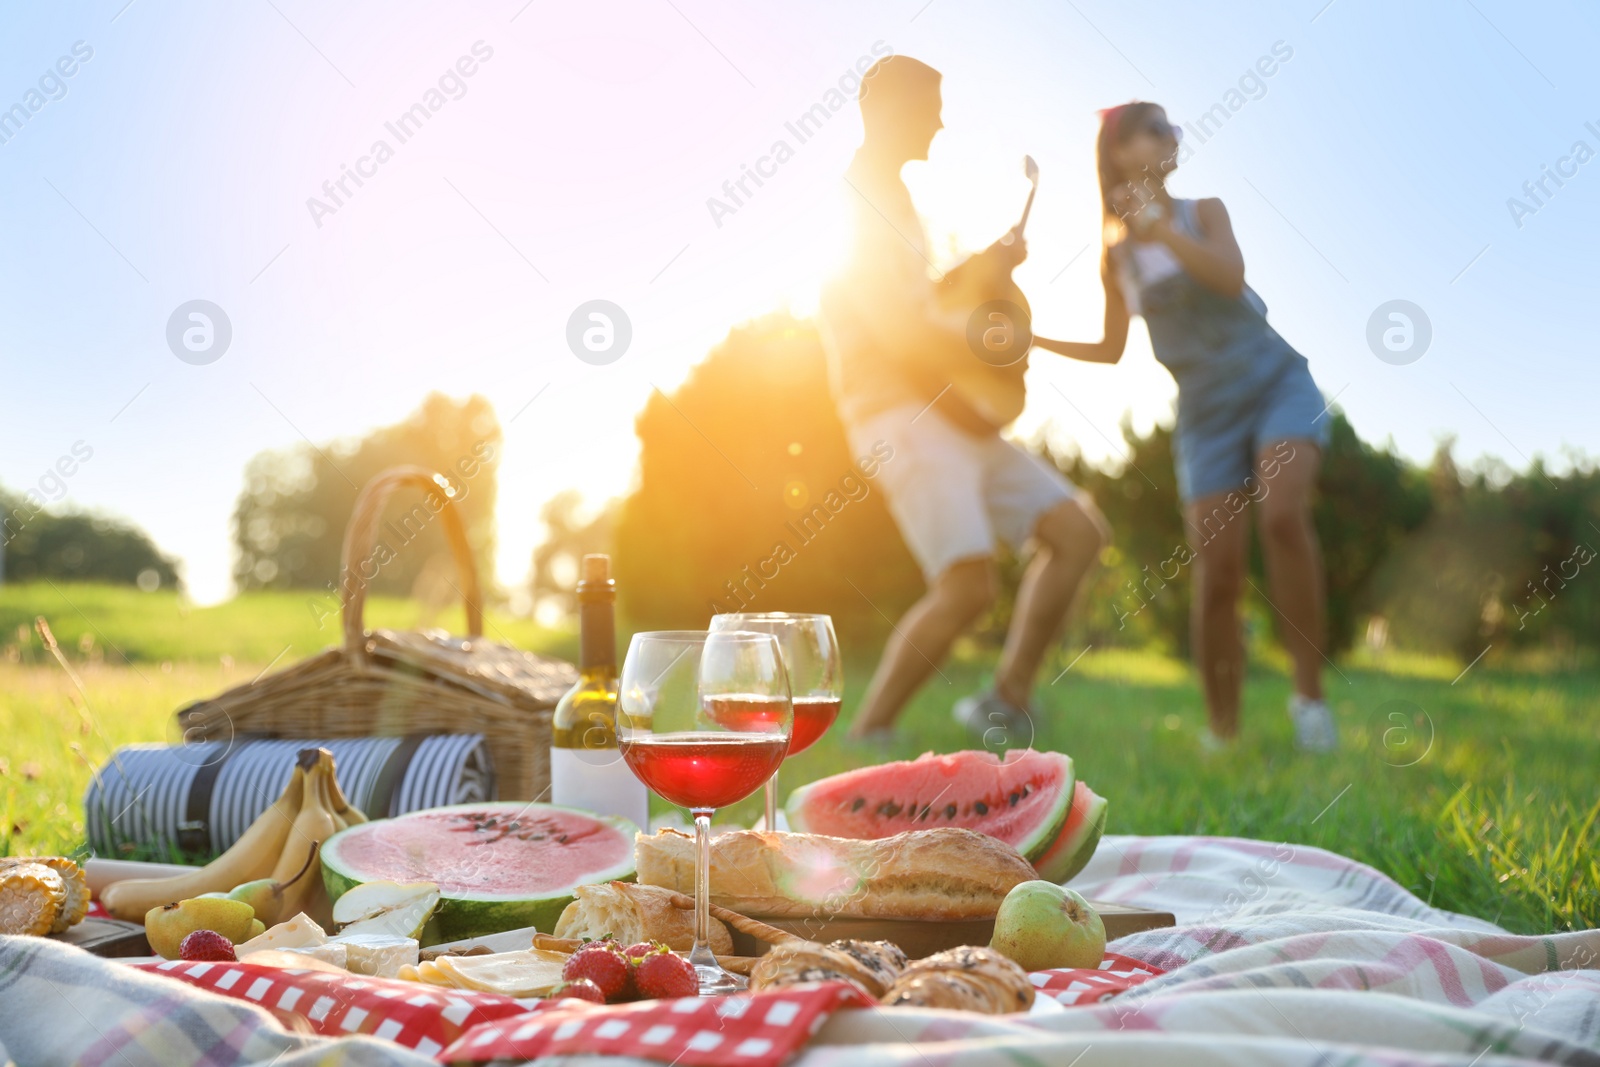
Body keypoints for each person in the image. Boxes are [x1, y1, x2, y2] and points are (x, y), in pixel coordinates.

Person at [819, 55, 1108, 744]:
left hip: (948, 411)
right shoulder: (859, 199)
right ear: (892, 109)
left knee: (1076, 532)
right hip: (897, 414)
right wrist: (994, 341)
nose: (942, 122)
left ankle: (1004, 699)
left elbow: (921, 302)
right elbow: (900, 331)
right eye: (933, 106)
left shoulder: (894, 199)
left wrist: (984, 267)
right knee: (969, 586)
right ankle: (870, 731)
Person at [1031, 101, 1336, 752]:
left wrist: (1163, 228)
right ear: (1118, 151)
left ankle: (1310, 701)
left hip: (1274, 382)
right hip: (1205, 414)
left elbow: (1230, 279)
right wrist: (1033, 339)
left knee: (1283, 516)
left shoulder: (1205, 213)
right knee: (1218, 572)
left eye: (1170, 127)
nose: (1171, 135)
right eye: (1153, 128)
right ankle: (1221, 729)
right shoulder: (1117, 262)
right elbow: (1112, 348)